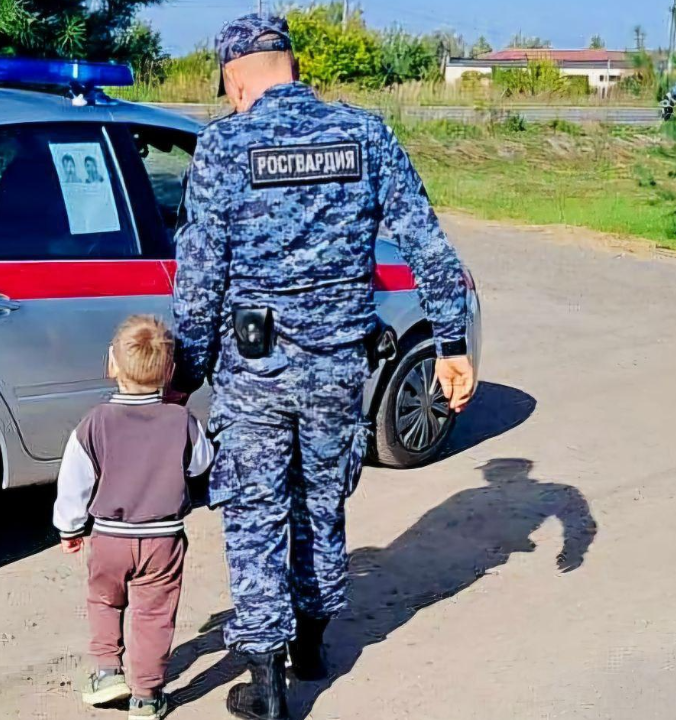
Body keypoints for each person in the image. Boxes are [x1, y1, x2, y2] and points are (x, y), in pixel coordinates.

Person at [171, 13, 476, 720]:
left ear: (234, 79)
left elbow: (198, 276)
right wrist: (451, 345)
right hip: (339, 367)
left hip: (255, 371)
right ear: (293, 66)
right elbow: (426, 243)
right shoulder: (365, 135)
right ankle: (311, 642)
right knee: (320, 500)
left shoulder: (224, 144)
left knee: (255, 512)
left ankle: (268, 683)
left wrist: (183, 372)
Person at [53, 315, 214, 720]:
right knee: (154, 613)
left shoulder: (95, 423)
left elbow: (74, 480)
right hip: (163, 539)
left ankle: (108, 672)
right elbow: (200, 464)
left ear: (112, 365)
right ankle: (146, 696)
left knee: (104, 601)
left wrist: (69, 527)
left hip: (109, 537)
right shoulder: (181, 421)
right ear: (170, 371)